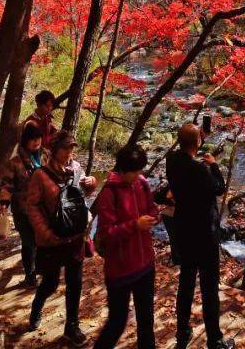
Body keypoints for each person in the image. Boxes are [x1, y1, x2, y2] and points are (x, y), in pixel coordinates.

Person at [166, 123, 233, 349]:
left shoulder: (171, 162)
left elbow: (184, 152)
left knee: (186, 283)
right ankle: (214, 338)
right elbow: (219, 188)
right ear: (197, 143)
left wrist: (198, 138)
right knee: (208, 287)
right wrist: (214, 166)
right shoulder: (201, 170)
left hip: (183, 231)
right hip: (205, 235)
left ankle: (182, 333)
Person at [25, 132, 96, 345]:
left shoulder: (75, 168)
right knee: (51, 282)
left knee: (75, 282)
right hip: (52, 239)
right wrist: (46, 233)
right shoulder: (40, 175)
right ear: (53, 151)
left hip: (74, 237)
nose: (69, 153)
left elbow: (82, 197)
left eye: (71, 149)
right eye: (65, 149)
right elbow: (32, 206)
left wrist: (91, 183)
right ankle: (37, 306)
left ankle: (71, 326)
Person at [92, 145, 159, 349]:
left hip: (145, 263)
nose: (139, 175)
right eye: (135, 171)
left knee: (146, 320)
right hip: (120, 269)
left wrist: (155, 215)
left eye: (140, 170)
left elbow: (152, 208)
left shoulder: (142, 183)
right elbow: (107, 234)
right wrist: (135, 225)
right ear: (123, 169)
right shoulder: (109, 192)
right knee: (117, 323)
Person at [0, 122, 49, 286]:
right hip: (23, 209)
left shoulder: (46, 156)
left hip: (43, 208)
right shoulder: (15, 162)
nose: (36, 143)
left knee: (42, 241)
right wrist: (4, 202)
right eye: (33, 140)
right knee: (28, 242)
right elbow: (6, 184)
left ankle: (42, 270)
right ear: (25, 141)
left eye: (38, 139)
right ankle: (30, 275)